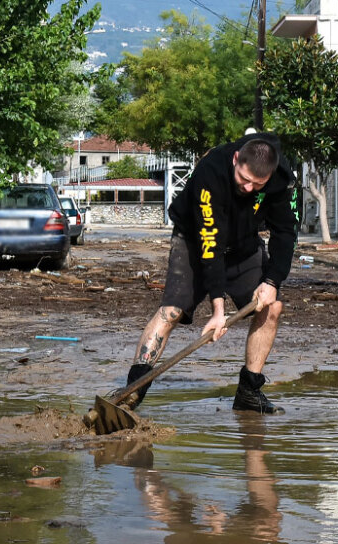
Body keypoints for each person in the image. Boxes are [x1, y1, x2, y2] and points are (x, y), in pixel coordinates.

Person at [123, 132, 299, 414]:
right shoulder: (211, 170)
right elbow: (209, 244)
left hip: (243, 244)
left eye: (258, 184)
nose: (250, 188)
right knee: (171, 311)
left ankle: (249, 393)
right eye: (244, 179)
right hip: (195, 241)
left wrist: (271, 281)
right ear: (235, 160)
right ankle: (131, 393)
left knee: (272, 307)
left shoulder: (284, 179)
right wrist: (218, 310)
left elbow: (286, 233)